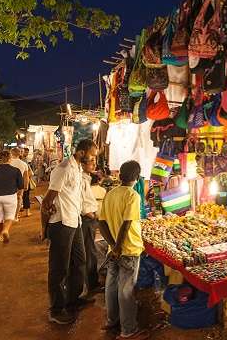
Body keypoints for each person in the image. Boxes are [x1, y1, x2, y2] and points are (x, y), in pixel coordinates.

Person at [41, 139, 99, 325]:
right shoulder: (64, 168)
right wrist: (45, 228)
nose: (94, 159)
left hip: (75, 222)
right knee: (59, 268)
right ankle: (56, 309)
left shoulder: (77, 169)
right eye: (92, 156)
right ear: (81, 153)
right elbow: (47, 201)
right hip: (62, 224)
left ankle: (72, 299)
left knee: (79, 262)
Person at [98, 161, 149, 339]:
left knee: (111, 286)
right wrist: (118, 246)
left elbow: (101, 222)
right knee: (126, 290)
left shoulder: (111, 194)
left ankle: (112, 320)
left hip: (114, 250)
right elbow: (127, 223)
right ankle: (128, 330)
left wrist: (112, 245)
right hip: (128, 249)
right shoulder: (132, 196)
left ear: (120, 175)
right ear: (137, 177)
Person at [0, 150, 24, 243]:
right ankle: (5, 230)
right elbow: (21, 186)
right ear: (10, 159)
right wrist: (20, 195)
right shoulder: (16, 170)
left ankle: (0, 236)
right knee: (9, 216)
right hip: (10, 196)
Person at [80, 154, 101, 296]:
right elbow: (82, 203)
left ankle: (91, 283)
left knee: (90, 251)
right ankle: (91, 285)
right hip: (87, 220)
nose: (94, 164)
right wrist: (93, 216)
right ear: (83, 164)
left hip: (89, 219)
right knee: (90, 252)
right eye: (91, 161)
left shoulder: (86, 178)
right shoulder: (81, 179)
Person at [9, 148, 30, 219]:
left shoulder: (8, 162)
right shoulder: (24, 164)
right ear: (19, 154)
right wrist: (26, 185)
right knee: (19, 198)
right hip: (19, 183)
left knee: (9, 199)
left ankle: (10, 215)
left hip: (9, 183)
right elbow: (26, 176)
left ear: (11, 154)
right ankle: (15, 216)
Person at [21, 147, 35, 217]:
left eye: (27, 152)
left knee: (23, 196)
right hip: (25, 179)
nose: (26, 153)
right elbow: (27, 172)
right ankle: (27, 212)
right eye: (25, 152)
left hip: (23, 179)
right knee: (25, 195)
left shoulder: (24, 159)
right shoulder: (22, 161)